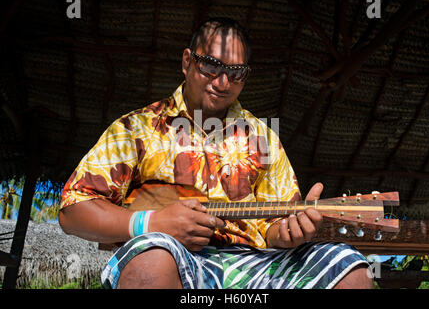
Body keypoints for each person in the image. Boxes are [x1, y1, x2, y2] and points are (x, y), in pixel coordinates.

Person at [58, 17, 373, 289]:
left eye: (236, 72)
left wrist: (289, 232)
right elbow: (73, 210)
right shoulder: (136, 128)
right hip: (171, 256)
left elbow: (276, 228)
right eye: (211, 65)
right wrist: (151, 224)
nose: (223, 82)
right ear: (186, 62)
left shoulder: (262, 136)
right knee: (151, 260)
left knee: (348, 265)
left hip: (257, 265)